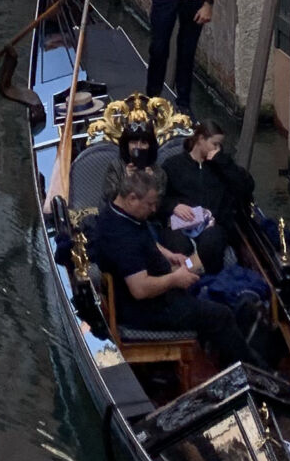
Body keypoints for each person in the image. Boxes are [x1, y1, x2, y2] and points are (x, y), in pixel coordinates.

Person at [86, 125, 251, 368]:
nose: (155, 210)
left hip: (155, 295)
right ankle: (251, 372)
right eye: (151, 204)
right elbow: (140, 289)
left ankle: (230, 357)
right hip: (146, 310)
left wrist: (165, 253)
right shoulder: (121, 235)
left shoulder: (119, 215)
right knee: (222, 313)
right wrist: (175, 280)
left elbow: (144, 240)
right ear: (132, 198)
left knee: (210, 299)